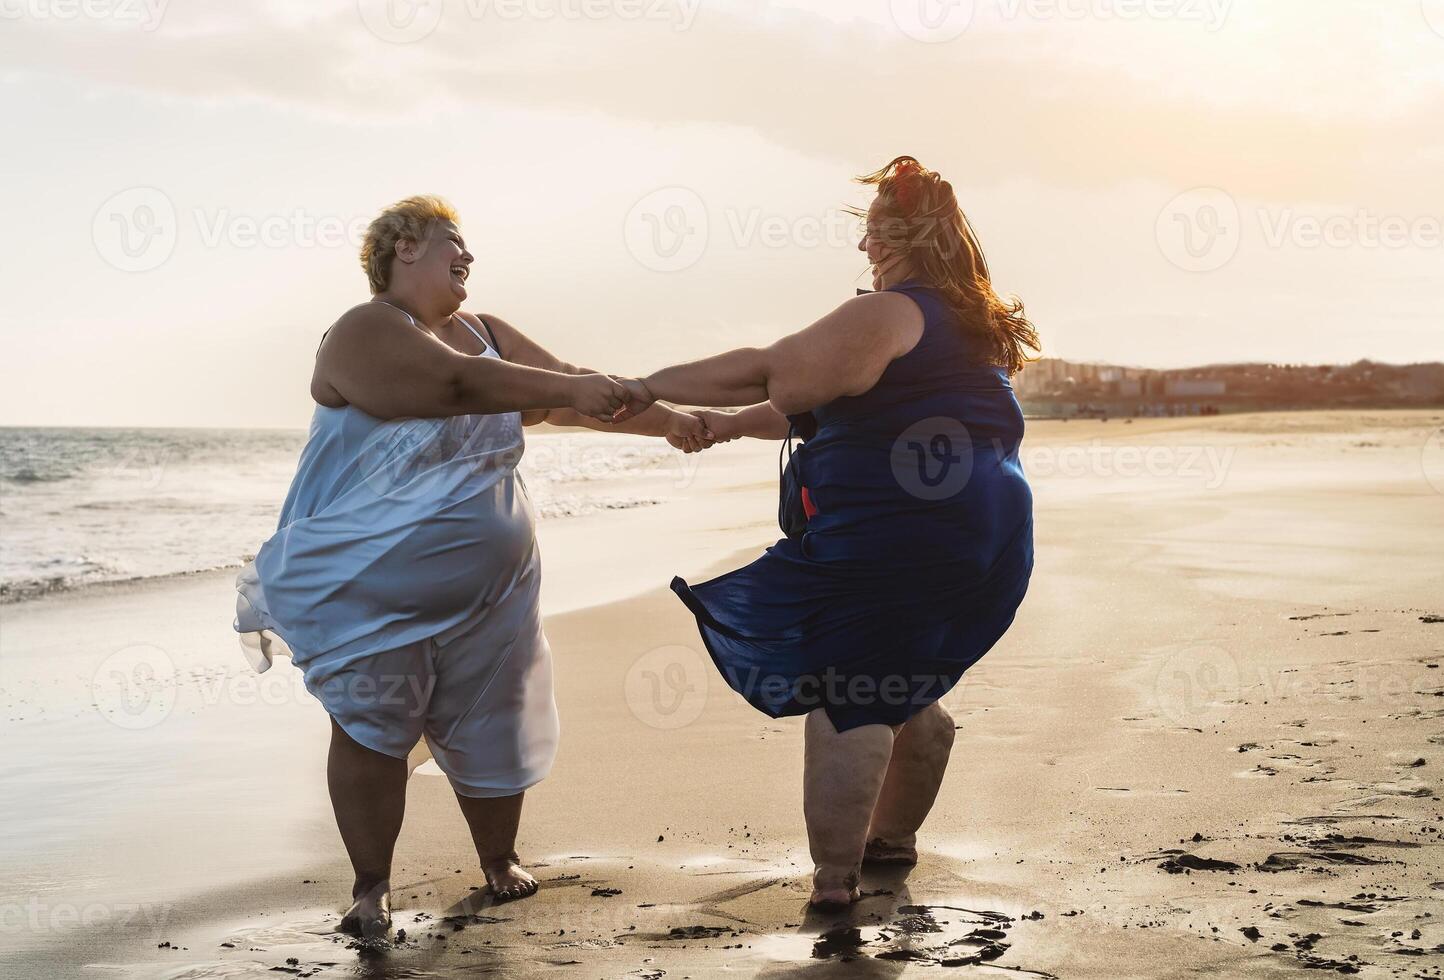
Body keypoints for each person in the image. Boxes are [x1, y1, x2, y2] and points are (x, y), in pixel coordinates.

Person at [235, 195, 711, 938]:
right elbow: (454, 386)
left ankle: (498, 859)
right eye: (454, 241)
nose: (470, 257)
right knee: (372, 726)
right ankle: (371, 888)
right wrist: (567, 391)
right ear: (404, 249)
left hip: (495, 594)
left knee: (495, 719)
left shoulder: (486, 332)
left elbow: (572, 388)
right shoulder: (364, 331)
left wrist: (669, 420)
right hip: (370, 587)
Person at [625, 157, 1039, 909]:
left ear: (912, 238)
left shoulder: (889, 314)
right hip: (981, 541)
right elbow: (801, 405)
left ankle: (833, 886)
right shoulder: (960, 322)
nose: (864, 249)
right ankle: (889, 843)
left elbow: (769, 371)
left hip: (904, 539)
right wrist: (719, 429)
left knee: (851, 687)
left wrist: (646, 387)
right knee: (904, 680)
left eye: (877, 234)